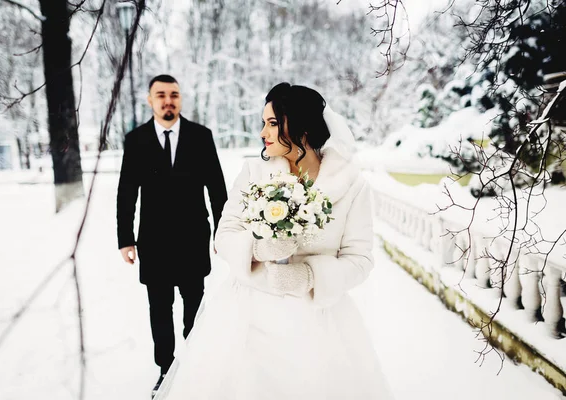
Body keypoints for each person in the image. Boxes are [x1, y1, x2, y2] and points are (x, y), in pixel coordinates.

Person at [152, 82, 395, 399]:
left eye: (272, 123)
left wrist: (310, 276)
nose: (262, 133)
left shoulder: (351, 185)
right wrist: (256, 248)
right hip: (248, 316)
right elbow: (226, 233)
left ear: (300, 125)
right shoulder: (254, 171)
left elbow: (360, 260)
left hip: (317, 322)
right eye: (263, 123)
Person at [116, 74, 228, 398]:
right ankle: (166, 370)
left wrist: (222, 232)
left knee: (194, 311)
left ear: (181, 99)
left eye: (174, 94)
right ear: (150, 100)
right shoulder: (135, 140)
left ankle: (194, 367)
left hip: (193, 242)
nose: (168, 100)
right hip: (154, 244)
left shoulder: (201, 136)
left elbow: (217, 190)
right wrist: (125, 238)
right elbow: (127, 193)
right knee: (160, 313)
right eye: (161, 95)